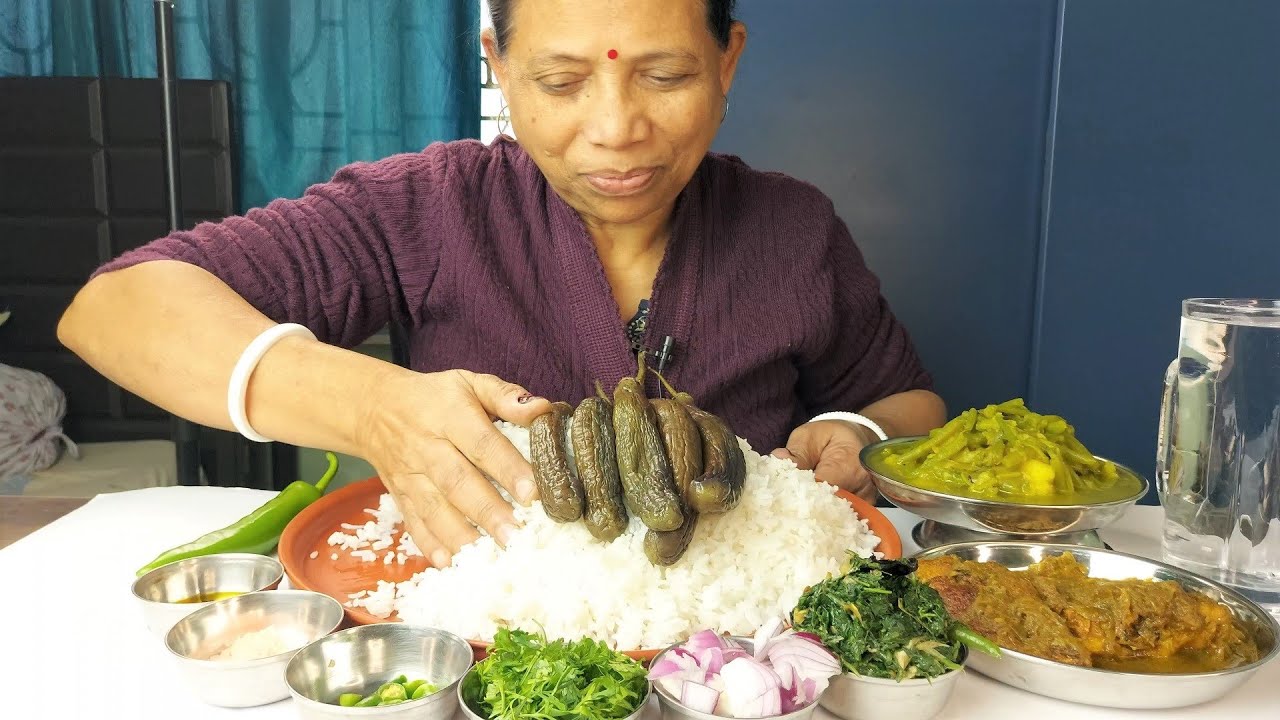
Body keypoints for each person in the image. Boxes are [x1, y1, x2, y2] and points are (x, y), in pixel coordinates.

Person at [58, 0, 945, 568]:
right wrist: (368, 404)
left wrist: (856, 428)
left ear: (728, 62)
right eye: (560, 82)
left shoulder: (795, 227)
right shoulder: (425, 205)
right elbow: (114, 307)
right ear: (497, 65)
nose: (616, 129)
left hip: (748, 648)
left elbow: (909, 403)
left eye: (666, 75)